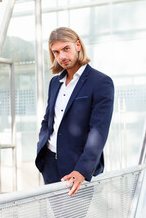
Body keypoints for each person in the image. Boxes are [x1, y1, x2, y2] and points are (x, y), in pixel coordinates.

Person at [35, 27, 114, 196]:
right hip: (50, 164)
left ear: (78, 45)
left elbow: (99, 131)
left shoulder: (101, 82)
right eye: (56, 52)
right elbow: (48, 119)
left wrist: (82, 170)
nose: (61, 57)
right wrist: (41, 146)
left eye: (66, 49)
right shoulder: (54, 83)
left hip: (77, 168)